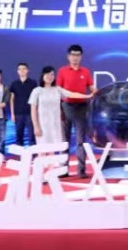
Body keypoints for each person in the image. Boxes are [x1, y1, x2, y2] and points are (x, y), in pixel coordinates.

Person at [29, 66, 92, 171]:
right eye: (47, 74)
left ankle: (50, 174)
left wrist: (87, 96)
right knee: (42, 150)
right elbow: (33, 110)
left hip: (55, 125)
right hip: (42, 125)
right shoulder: (37, 91)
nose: (50, 76)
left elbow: (71, 94)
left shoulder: (57, 89)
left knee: (53, 150)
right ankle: (40, 174)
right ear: (42, 75)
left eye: (52, 75)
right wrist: (36, 127)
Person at [56, 45, 97, 177]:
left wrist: (97, 93)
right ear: (68, 56)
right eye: (73, 55)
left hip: (81, 108)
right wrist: (59, 109)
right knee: (64, 141)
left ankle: (81, 170)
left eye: (78, 55)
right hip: (66, 107)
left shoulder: (85, 71)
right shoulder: (62, 71)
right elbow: (58, 91)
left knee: (81, 141)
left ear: (81, 57)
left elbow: (92, 88)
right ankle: (63, 170)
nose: (75, 57)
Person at [9, 63, 38, 148]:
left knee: (32, 136)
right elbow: (12, 99)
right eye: (20, 69)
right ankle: (20, 154)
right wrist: (12, 114)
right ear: (17, 71)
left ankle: (33, 154)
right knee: (19, 136)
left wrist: (36, 113)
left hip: (30, 113)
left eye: (24, 69)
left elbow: (36, 99)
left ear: (27, 70)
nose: (22, 71)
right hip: (18, 114)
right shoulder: (14, 84)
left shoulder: (33, 83)